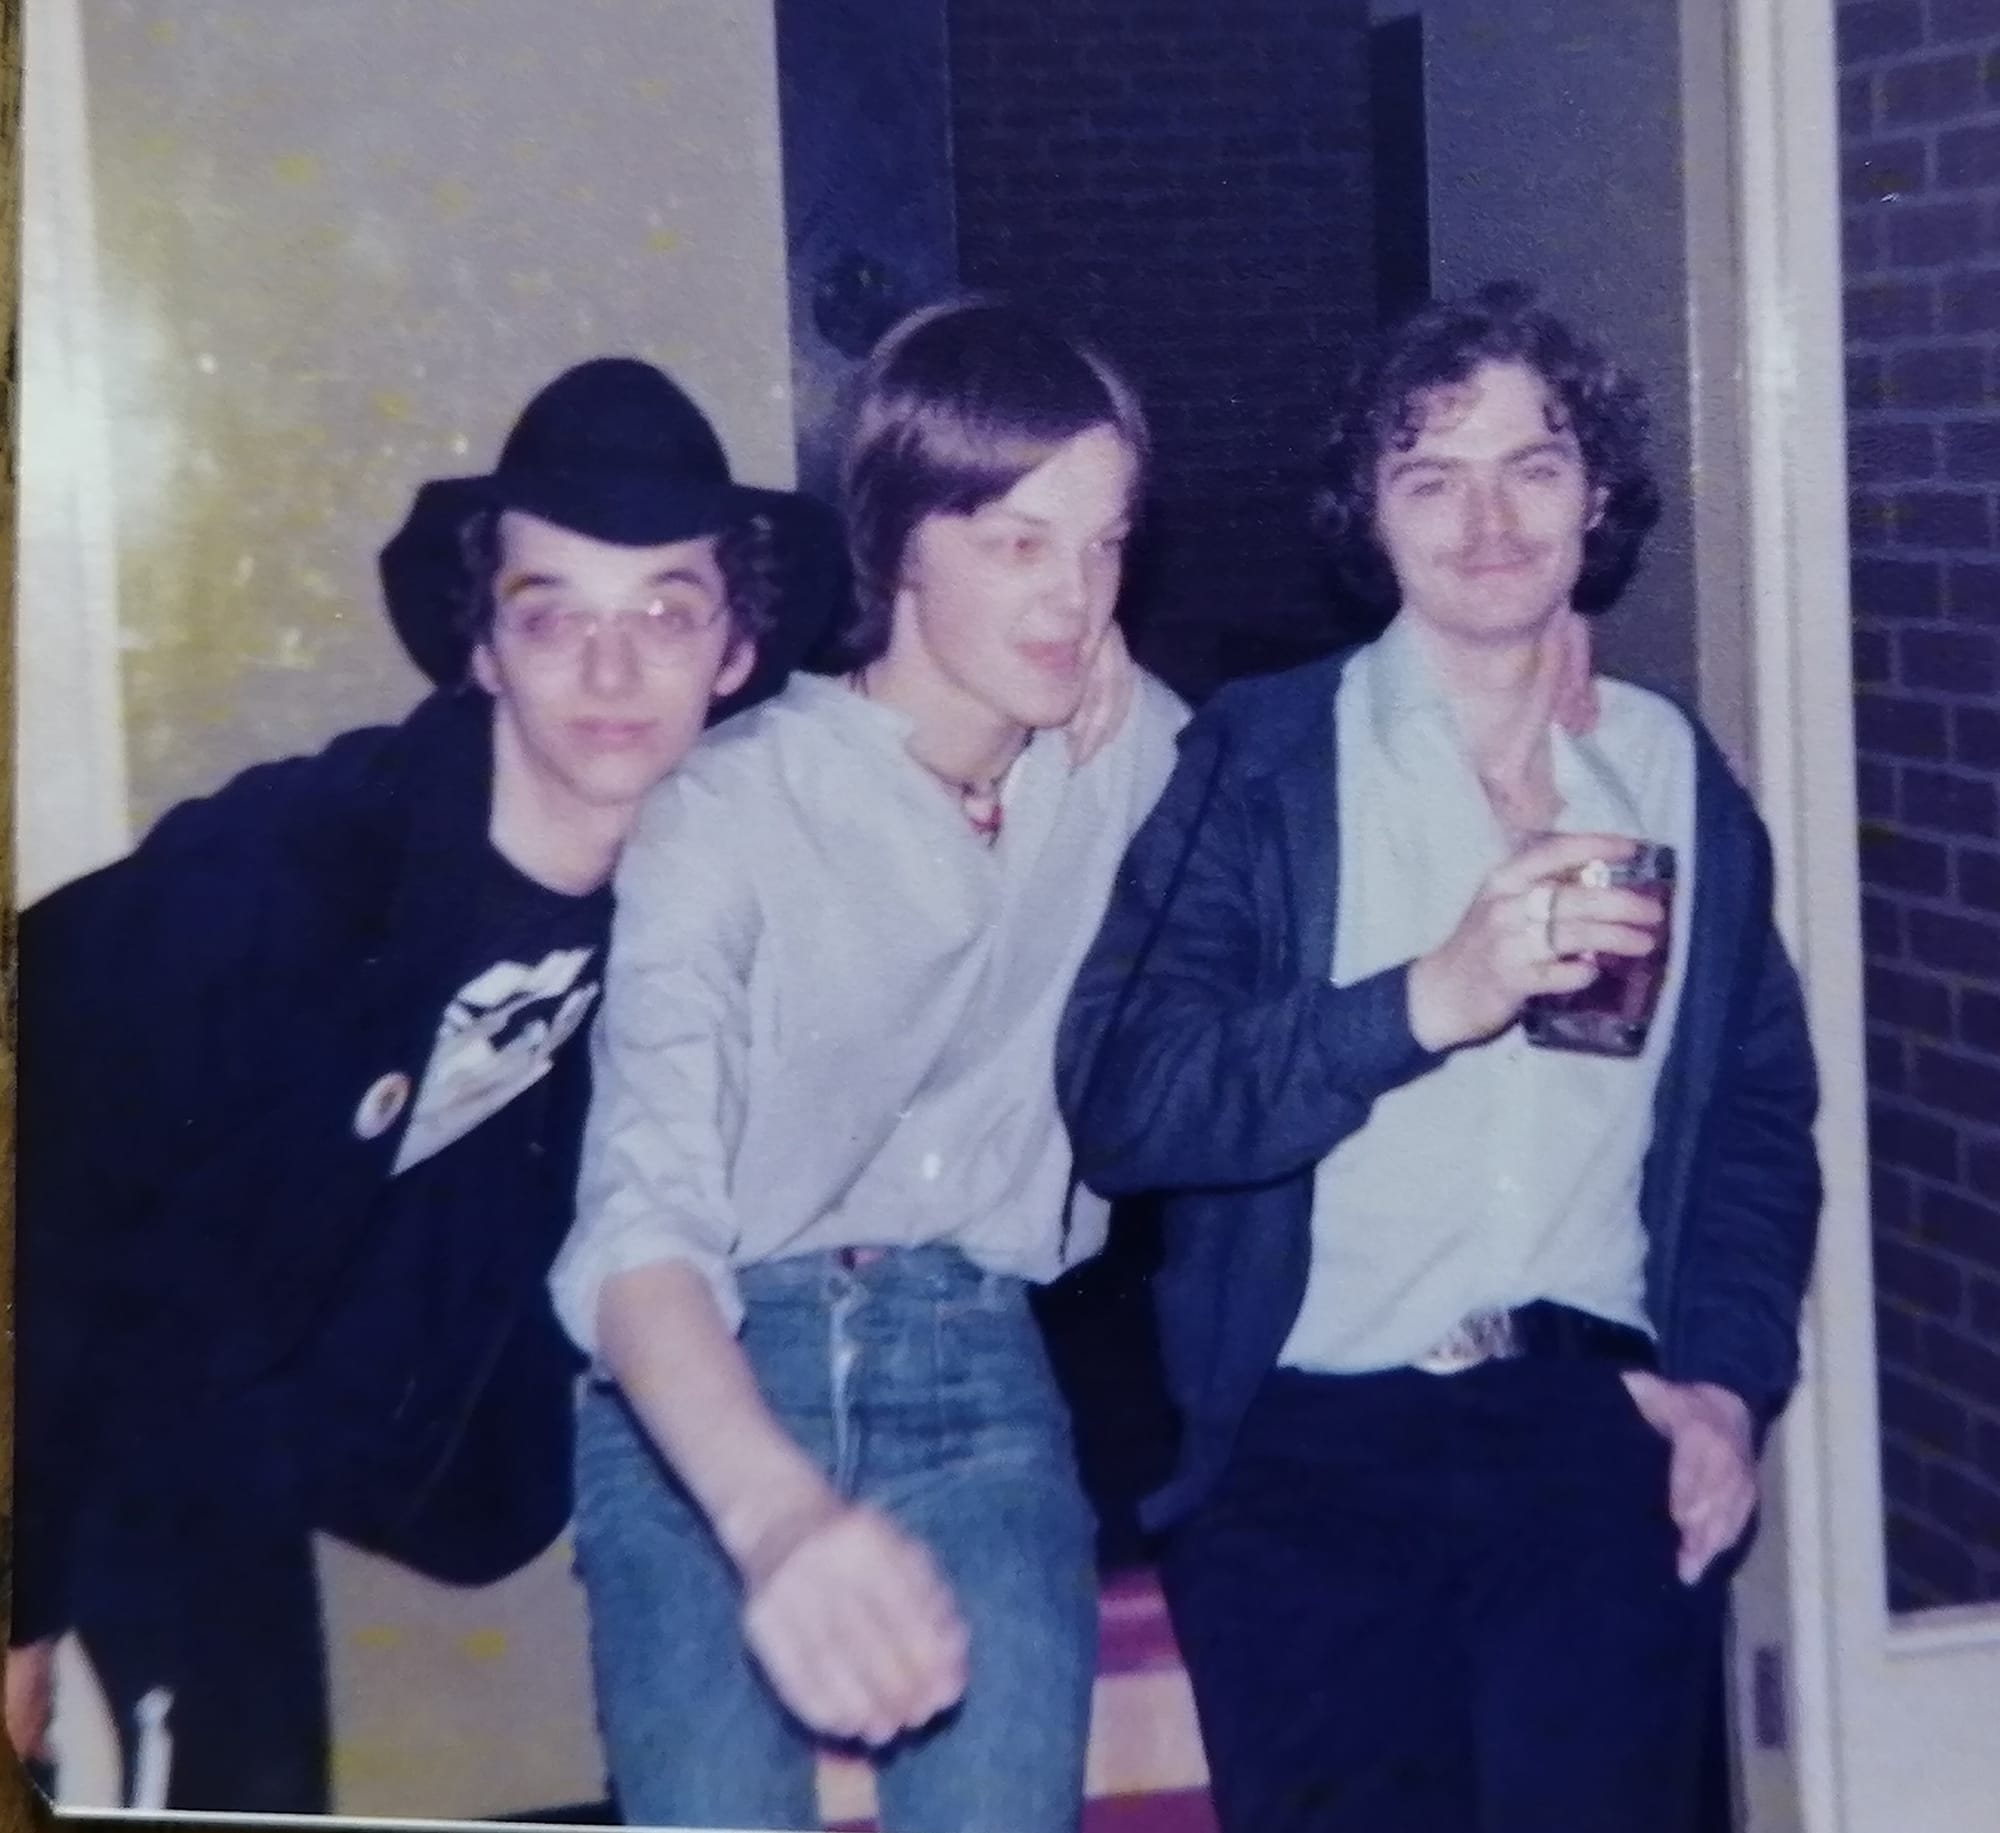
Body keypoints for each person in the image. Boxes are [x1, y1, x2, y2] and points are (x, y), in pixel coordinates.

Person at [5, 356, 843, 1813]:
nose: (610, 666)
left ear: (734, 651)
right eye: (552, 612)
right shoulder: (298, 868)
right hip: (98, 1370)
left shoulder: (691, 887)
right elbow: (49, 1186)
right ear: (484, 650)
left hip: (242, 1409)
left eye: (665, 610)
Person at [1057, 281, 1822, 1833]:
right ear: (1371, 513)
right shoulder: (1263, 757)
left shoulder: (1671, 767)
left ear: (1594, 494)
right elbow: (1126, 1098)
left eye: (1532, 465)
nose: (1488, 520)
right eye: (1432, 475)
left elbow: (1753, 1113)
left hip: (1591, 1443)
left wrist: (1729, 1388)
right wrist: (1428, 995)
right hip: (1311, 1454)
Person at [547, 298, 1187, 1833]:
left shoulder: (1132, 759)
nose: (1074, 598)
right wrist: (772, 1517)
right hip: (706, 1382)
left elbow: (1320, 787)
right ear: (901, 542)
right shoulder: (727, 808)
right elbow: (640, 1221)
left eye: (1102, 546)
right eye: (1019, 543)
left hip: (977, 1365)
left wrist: (1525, 654)